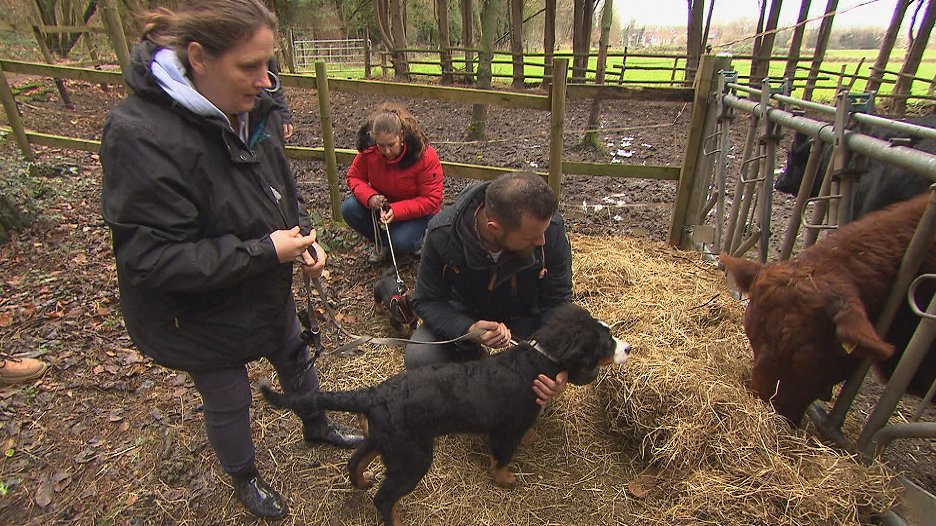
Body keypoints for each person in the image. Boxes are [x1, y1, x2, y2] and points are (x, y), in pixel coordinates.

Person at [99, 1, 361, 520]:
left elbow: (278, 186)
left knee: (294, 354)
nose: (266, 80)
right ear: (198, 57)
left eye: (269, 64)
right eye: (249, 66)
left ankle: (318, 424)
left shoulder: (252, 107)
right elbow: (150, 258)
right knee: (228, 394)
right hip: (198, 312)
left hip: (260, 283)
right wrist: (265, 251)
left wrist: (303, 238)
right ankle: (244, 476)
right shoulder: (141, 135)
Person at [406, 171, 574, 404]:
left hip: (525, 322)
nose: (541, 242)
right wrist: (468, 328)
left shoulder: (550, 230)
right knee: (420, 355)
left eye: (543, 232)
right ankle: (474, 374)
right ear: (493, 228)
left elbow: (557, 301)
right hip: (466, 316)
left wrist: (557, 362)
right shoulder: (443, 234)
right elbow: (426, 300)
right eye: (531, 238)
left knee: (585, 367)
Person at [340, 103, 443, 264]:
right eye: (381, 145)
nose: (386, 151)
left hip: (418, 213)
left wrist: (396, 210)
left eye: (391, 145)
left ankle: (413, 242)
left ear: (401, 136)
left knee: (401, 241)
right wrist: (370, 197)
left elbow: (432, 200)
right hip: (384, 208)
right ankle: (385, 244)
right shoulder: (370, 152)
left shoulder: (423, 156)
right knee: (349, 208)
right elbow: (354, 177)